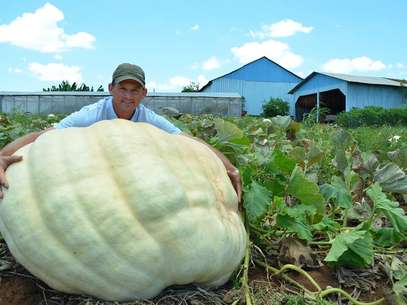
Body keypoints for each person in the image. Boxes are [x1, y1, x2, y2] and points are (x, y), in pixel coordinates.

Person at [0, 63, 242, 205]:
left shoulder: (147, 117)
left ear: (144, 93)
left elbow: (187, 141)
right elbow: (45, 134)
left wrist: (229, 168)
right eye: (123, 89)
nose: (128, 96)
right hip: (92, 174)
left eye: (134, 91)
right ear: (111, 89)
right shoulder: (92, 114)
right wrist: (3, 155)